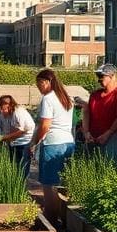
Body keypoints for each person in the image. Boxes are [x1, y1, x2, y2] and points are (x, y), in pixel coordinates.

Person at [28, 68, 75, 223]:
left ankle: (51, 219)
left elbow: (45, 126)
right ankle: (66, 219)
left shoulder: (48, 98)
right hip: (68, 142)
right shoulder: (65, 97)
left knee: (49, 185)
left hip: (52, 143)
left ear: (46, 82)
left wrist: (34, 142)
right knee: (64, 183)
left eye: (39, 83)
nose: (39, 87)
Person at [82, 63, 117, 165]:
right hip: (93, 138)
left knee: (110, 166)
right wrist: (86, 132)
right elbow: (87, 113)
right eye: (98, 76)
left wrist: (107, 134)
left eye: (102, 76)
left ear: (112, 76)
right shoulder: (94, 95)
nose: (99, 79)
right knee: (92, 166)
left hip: (111, 138)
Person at [0, 94, 36, 177]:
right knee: (14, 166)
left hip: (24, 142)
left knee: (22, 168)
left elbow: (21, 131)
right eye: (1, 108)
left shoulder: (18, 112)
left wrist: (4, 138)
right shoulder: (2, 115)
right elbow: (5, 130)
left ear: (10, 105)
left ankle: (22, 186)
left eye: (4, 108)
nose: (3, 111)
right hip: (13, 143)